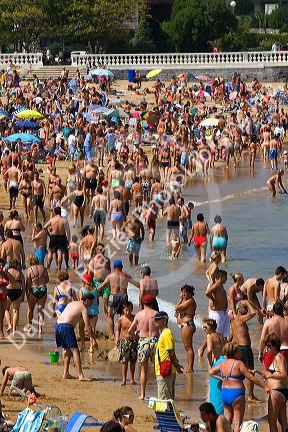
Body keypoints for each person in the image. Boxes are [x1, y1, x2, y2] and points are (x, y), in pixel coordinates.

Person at [209, 342, 269, 431]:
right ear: (235, 353)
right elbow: (251, 378)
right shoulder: (239, 363)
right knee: (237, 422)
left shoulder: (222, 364)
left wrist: (222, 378)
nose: (240, 354)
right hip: (236, 394)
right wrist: (265, 386)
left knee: (227, 420)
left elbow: (211, 372)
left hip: (225, 393)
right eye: (238, 352)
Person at [55, 294, 97, 380]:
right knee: (75, 351)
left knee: (67, 350)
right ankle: (81, 376)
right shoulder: (83, 307)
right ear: (87, 300)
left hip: (58, 325)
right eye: (91, 303)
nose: (91, 305)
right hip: (66, 326)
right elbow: (88, 325)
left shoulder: (73, 303)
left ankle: (66, 373)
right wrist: (93, 339)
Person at [128, 293, 159, 400]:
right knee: (158, 369)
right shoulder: (157, 314)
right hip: (155, 341)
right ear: (152, 302)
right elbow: (164, 330)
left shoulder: (139, 314)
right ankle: (160, 393)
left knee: (143, 370)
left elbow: (130, 331)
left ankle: (142, 394)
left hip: (143, 341)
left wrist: (136, 339)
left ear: (142, 302)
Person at [255, 333, 288, 432]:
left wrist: (271, 375)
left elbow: (284, 374)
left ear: (275, 346)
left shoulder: (278, 357)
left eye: (269, 346)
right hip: (282, 392)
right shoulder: (277, 357)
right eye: (266, 345)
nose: (267, 348)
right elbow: (271, 374)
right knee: (283, 420)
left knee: (272, 421)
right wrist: (258, 371)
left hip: (276, 392)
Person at [98, 259, 140, 336]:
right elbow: (136, 284)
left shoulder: (110, 276)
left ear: (114, 267)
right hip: (124, 296)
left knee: (110, 315)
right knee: (123, 315)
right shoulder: (126, 275)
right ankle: (123, 334)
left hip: (112, 296)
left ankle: (113, 335)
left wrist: (95, 291)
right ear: (122, 267)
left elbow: (102, 286)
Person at [231, 300, 259, 402]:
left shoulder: (235, 320)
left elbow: (233, 337)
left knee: (240, 372)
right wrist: (246, 302)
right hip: (244, 348)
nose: (247, 310)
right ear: (239, 309)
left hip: (239, 348)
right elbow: (253, 313)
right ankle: (251, 396)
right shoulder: (240, 319)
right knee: (250, 372)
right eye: (245, 308)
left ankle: (240, 393)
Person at [154, 311, 184, 400]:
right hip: (164, 370)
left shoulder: (166, 333)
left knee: (164, 400)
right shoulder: (163, 333)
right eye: (155, 319)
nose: (155, 321)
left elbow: (171, 352)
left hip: (166, 371)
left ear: (164, 320)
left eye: (158, 319)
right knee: (167, 397)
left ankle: (166, 414)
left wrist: (177, 365)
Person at [202, 318, 225, 415]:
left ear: (211, 327)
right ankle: (223, 412)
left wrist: (210, 362)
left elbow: (209, 351)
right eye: (203, 327)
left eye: (206, 327)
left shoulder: (210, 337)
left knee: (215, 389)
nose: (204, 329)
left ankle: (216, 413)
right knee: (222, 389)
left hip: (217, 362)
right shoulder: (221, 336)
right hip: (224, 360)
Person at [259, 301, 288, 371]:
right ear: (282, 311)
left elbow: (262, 339)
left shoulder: (268, 322)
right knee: (285, 375)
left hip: (272, 350)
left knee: (269, 375)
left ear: (273, 311)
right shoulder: (286, 322)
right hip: (286, 349)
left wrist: (260, 353)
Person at [25, 254, 49, 335]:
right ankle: (40, 329)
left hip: (33, 290)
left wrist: (26, 293)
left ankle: (30, 327)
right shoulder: (43, 268)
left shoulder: (30, 269)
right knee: (41, 311)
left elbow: (28, 283)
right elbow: (47, 280)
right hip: (42, 289)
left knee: (30, 309)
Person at [175, 284, 196, 373]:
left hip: (188, 325)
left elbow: (177, 307)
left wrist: (180, 299)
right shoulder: (187, 301)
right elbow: (178, 310)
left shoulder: (190, 301)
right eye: (182, 292)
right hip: (185, 325)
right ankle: (189, 366)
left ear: (190, 293)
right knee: (187, 347)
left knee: (188, 347)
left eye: (185, 292)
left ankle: (190, 367)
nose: (183, 294)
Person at [115, 302, 137, 386]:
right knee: (124, 361)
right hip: (124, 341)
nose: (128, 312)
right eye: (126, 310)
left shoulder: (135, 318)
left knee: (133, 361)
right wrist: (117, 339)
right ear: (123, 310)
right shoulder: (121, 319)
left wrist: (137, 338)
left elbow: (138, 329)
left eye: (129, 310)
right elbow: (118, 330)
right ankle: (124, 380)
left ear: (132, 309)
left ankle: (132, 379)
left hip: (133, 341)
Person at [206, 270, 230, 339]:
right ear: (221, 277)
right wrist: (214, 300)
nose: (226, 279)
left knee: (222, 336)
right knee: (216, 336)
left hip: (222, 313)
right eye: (225, 277)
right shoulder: (216, 285)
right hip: (217, 313)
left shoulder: (220, 285)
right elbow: (207, 293)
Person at [79, 273, 99, 352]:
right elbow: (97, 301)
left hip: (85, 312)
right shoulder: (95, 289)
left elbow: (81, 302)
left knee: (81, 329)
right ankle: (91, 347)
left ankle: (83, 345)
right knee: (92, 329)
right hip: (94, 311)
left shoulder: (82, 290)